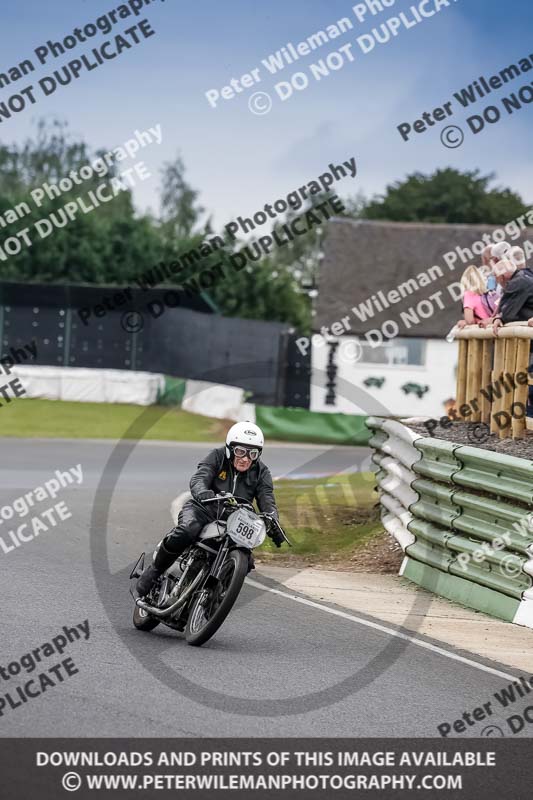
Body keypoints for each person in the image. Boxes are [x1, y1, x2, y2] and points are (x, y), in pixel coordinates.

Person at [136, 422, 284, 596]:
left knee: (247, 560)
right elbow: (200, 477)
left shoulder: (262, 472)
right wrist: (203, 492)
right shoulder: (217, 456)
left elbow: (267, 498)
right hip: (204, 509)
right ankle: (155, 570)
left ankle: (216, 597)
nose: (245, 458)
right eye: (240, 451)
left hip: (235, 520)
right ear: (230, 448)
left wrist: (272, 519)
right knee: (187, 530)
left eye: (252, 453)